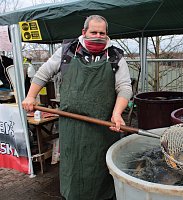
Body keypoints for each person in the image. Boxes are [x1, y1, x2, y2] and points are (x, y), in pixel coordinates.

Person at [22, 15, 133, 200]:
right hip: (71, 125)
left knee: (98, 166)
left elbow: (124, 87)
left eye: (102, 33)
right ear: (84, 32)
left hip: (101, 126)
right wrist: (31, 96)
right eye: (93, 32)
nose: (98, 36)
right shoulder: (68, 51)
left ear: (107, 35)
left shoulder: (115, 56)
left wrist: (117, 113)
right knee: (73, 165)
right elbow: (44, 72)